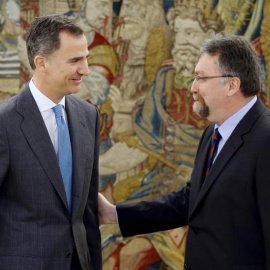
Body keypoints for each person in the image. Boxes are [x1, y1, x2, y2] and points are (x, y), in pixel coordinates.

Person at [98, 32, 270, 270]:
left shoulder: (266, 139)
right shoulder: (213, 133)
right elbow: (188, 202)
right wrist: (113, 214)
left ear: (232, 85)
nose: (192, 87)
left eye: (200, 78)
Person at [0, 15, 101, 270]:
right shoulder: (5, 123)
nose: (86, 69)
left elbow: (87, 211)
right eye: (75, 60)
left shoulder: (89, 116)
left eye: (86, 57)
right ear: (41, 63)